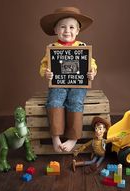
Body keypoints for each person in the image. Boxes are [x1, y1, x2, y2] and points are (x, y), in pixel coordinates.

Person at [39, 7, 97, 152]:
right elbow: (44, 65)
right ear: (56, 30)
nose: (67, 31)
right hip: (58, 83)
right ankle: (55, 136)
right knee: (54, 100)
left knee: (75, 101)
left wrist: (92, 72)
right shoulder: (52, 48)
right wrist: (45, 73)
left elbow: (92, 63)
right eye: (62, 27)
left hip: (78, 85)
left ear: (77, 31)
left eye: (71, 27)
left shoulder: (83, 47)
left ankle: (73, 137)